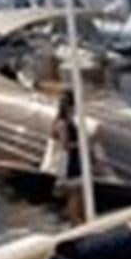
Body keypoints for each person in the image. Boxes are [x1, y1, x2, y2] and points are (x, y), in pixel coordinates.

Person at [51, 91, 84, 225]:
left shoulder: (67, 121)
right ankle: (74, 219)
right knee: (75, 193)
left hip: (74, 159)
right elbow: (65, 144)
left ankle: (73, 218)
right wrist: (81, 144)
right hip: (70, 161)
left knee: (77, 193)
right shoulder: (63, 124)